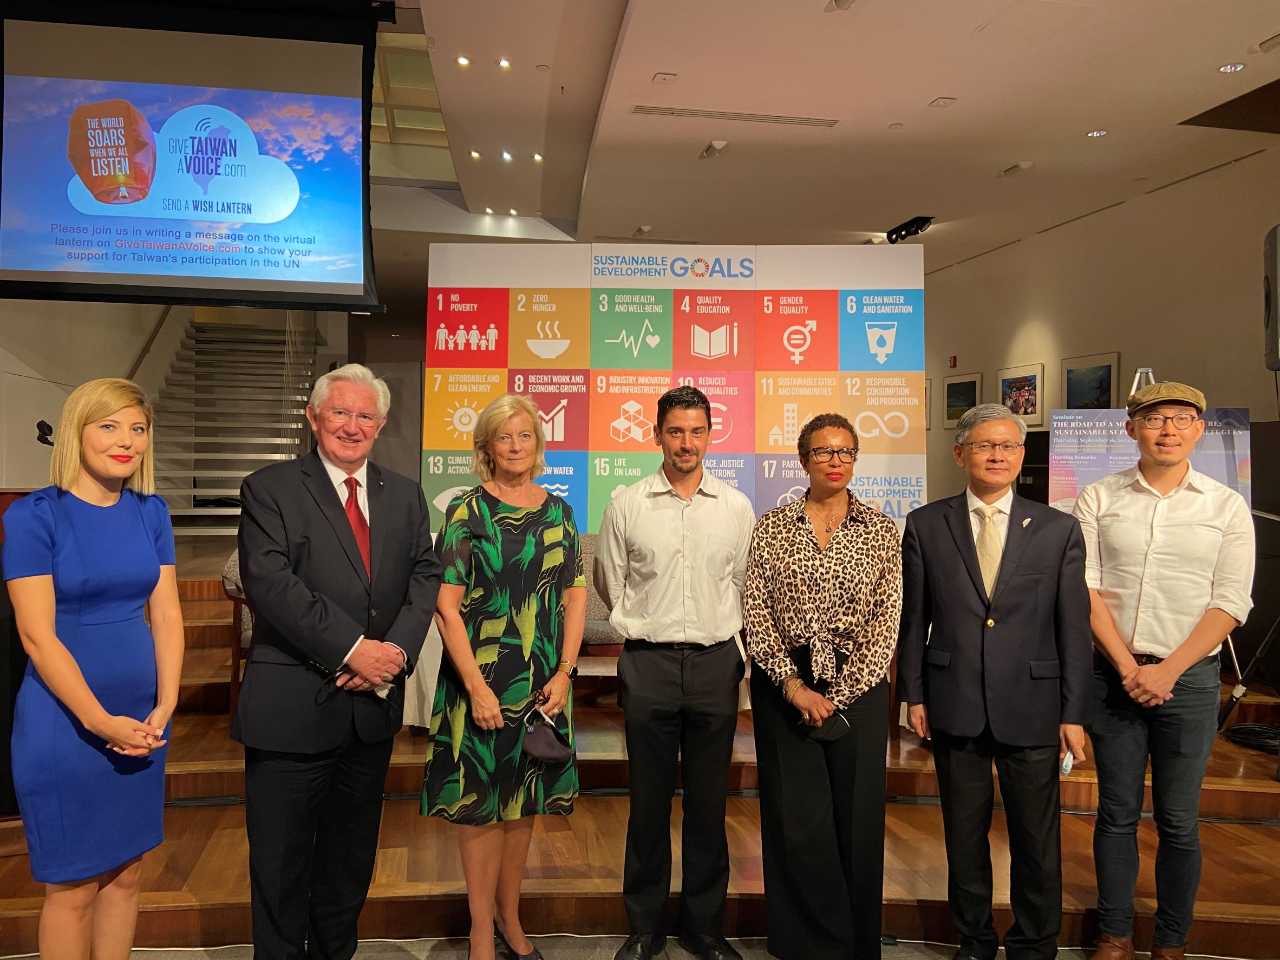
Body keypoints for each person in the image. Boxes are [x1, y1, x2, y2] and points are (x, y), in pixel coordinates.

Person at [234, 362, 441, 960]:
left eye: (365, 416)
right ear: (314, 417)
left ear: (381, 424)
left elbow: (424, 579)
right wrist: (355, 651)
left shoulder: (403, 493)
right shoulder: (269, 488)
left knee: (350, 861)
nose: (352, 426)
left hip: (368, 713)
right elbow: (271, 585)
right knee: (279, 863)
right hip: (292, 708)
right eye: (340, 413)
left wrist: (394, 654)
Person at [898, 403, 1092, 960]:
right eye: (985, 445)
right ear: (960, 453)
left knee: (1036, 839)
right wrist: (913, 692)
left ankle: (1035, 943)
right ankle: (975, 939)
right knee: (964, 835)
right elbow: (915, 619)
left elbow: (1073, 629)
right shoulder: (926, 523)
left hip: (1034, 705)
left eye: (1009, 446)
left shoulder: (1058, 529)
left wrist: (1073, 712)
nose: (998, 455)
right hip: (952, 699)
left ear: (1022, 456)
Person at [2, 378, 183, 960]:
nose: (125, 441)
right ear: (77, 430)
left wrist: (167, 703)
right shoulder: (36, 515)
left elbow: (168, 614)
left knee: (126, 877)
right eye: (108, 426)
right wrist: (101, 721)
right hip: (67, 725)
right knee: (73, 887)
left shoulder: (150, 511)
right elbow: (36, 636)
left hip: (145, 720)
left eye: (137, 428)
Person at [1073, 383, 1254, 960]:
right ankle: (1115, 934)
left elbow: (1231, 600)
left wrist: (1169, 670)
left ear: (1200, 430)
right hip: (1116, 676)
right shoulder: (1098, 497)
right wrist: (1129, 666)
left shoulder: (1225, 505)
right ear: (1131, 430)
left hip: (1191, 679)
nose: (1168, 430)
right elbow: (1086, 589)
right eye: (1154, 419)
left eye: (1181, 419)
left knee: (1178, 819)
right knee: (1116, 813)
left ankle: (1172, 941)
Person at [594, 385, 756, 960]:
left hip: (716, 663)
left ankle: (704, 928)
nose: (686, 443)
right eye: (675, 431)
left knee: (710, 806)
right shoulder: (627, 503)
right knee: (648, 803)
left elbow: (741, 584)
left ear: (711, 434)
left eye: (696, 431)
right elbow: (611, 584)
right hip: (649, 663)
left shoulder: (736, 507)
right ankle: (646, 928)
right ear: (656, 434)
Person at [422, 393, 586, 960]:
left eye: (524, 436)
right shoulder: (466, 511)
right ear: (486, 448)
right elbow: (446, 606)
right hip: (480, 681)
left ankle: (511, 921)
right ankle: (479, 931)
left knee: (523, 806)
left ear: (538, 444)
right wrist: (476, 686)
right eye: (503, 437)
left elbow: (574, 595)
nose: (515, 446)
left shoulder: (561, 511)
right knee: (479, 804)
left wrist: (565, 673)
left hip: (544, 683)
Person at [743, 413, 902, 960]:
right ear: (802, 458)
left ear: (854, 459)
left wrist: (841, 692)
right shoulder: (773, 525)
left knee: (857, 820)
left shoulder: (881, 531)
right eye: (822, 452)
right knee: (795, 819)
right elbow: (756, 612)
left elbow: (888, 620)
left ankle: (856, 944)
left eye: (845, 452)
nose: (834, 461)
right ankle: (803, 943)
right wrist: (793, 686)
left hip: (857, 689)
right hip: (783, 685)